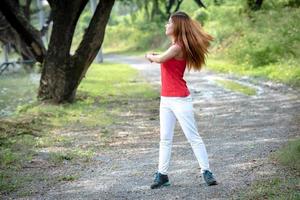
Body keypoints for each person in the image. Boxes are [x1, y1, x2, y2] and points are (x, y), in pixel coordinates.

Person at [145, 11, 217, 189]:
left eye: (169, 23)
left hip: (180, 99)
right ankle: (162, 175)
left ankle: (206, 171)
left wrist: (149, 56)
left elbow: (161, 59)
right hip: (166, 100)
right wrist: (157, 56)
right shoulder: (174, 46)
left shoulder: (178, 47)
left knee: (193, 137)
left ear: (176, 26)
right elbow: (165, 57)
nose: (166, 25)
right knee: (165, 139)